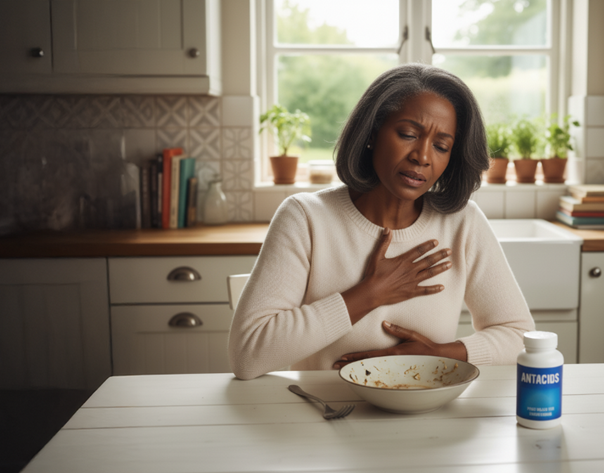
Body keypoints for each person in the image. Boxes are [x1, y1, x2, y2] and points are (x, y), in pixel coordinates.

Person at [228, 63, 534, 380]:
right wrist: (371, 293)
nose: (423, 156)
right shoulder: (306, 217)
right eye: (408, 134)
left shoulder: (462, 223)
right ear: (373, 132)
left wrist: (441, 355)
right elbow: (247, 355)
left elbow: (519, 337)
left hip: (428, 418)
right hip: (325, 414)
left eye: (441, 146)